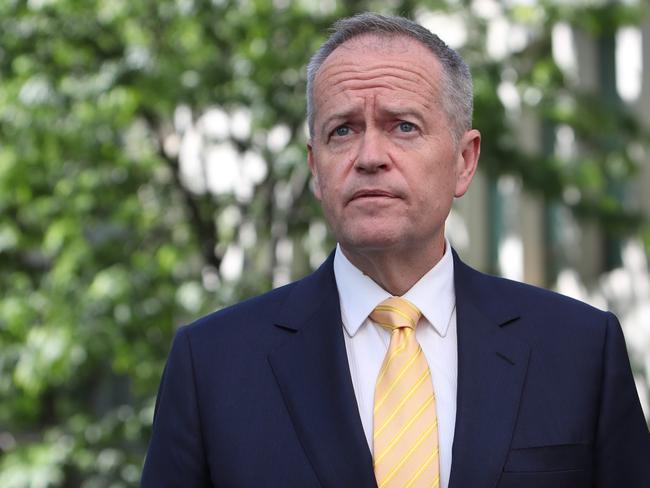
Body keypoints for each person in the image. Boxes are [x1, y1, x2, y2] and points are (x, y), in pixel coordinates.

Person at [141, 12, 650, 488]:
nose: (369, 157)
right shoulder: (212, 365)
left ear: (464, 161)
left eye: (403, 126)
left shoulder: (579, 349)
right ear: (316, 168)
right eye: (343, 131)